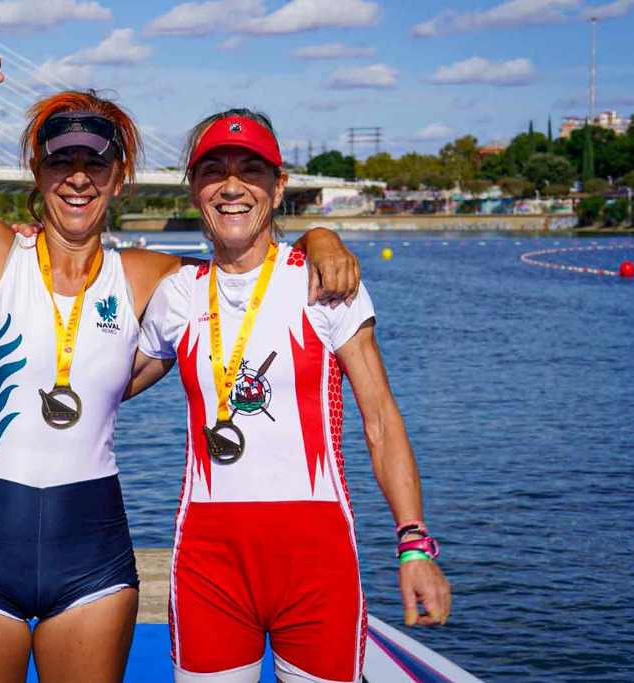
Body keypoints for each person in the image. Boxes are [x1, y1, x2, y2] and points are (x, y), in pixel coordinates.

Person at [0, 38, 360, 683]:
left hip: (91, 554)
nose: (79, 177)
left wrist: (319, 235)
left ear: (119, 178)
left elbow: (246, 258)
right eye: (63, 163)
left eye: (96, 162)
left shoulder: (152, 278)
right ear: (39, 173)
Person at [128, 109, 452, 683]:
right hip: (209, 564)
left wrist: (413, 545)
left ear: (278, 189)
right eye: (213, 172)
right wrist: (42, 257)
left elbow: (379, 420)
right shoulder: (177, 295)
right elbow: (106, 387)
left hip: (317, 565)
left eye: (250, 170)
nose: (231, 186)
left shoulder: (326, 283)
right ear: (195, 190)